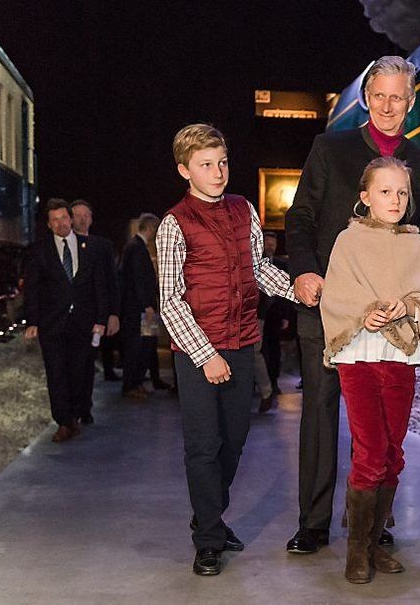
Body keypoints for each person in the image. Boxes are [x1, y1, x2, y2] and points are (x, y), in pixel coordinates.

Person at [283, 55, 420, 554]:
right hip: (332, 308)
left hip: (393, 324)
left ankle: (369, 522)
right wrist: (304, 270)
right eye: (380, 96)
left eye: (399, 96)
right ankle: (313, 521)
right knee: (321, 412)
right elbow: (301, 216)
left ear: (411, 102)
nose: (388, 105)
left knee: (381, 426)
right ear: (366, 100)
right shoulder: (330, 149)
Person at [157, 124, 299, 576]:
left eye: (222, 163)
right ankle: (208, 541)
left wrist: (302, 291)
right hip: (198, 351)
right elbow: (170, 300)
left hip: (242, 342)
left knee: (234, 442)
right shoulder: (173, 224)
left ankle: (209, 515)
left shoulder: (244, 210)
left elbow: (258, 268)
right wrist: (206, 355)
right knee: (203, 446)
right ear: (184, 170)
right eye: (206, 165)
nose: (218, 173)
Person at [321, 157, 420, 583]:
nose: (395, 200)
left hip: (400, 357)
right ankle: (356, 552)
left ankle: (374, 545)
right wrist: (365, 312)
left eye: (402, 193)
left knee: (393, 453)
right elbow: (334, 296)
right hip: (359, 355)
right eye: (386, 191)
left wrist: (409, 304)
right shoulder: (347, 242)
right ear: (365, 197)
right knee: (370, 451)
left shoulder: (415, 244)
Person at [23, 199, 108, 442]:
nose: (60, 223)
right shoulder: (41, 251)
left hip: (83, 324)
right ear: (49, 225)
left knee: (80, 372)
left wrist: (101, 319)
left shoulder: (89, 247)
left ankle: (77, 413)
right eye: (55, 220)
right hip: (53, 325)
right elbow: (33, 289)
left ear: (71, 219)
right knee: (56, 373)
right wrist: (33, 321)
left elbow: (99, 286)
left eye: (63, 218)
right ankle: (63, 421)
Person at [71, 199, 121, 421]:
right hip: (67, 317)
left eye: (86, 215)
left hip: (93, 317)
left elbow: (111, 281)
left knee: (86, 363)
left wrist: (112, 313)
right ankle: (70, 409)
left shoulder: (102, 246)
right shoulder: (59, 246)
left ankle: (84, 407)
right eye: (78, 215)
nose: (82, 219)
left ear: (91, 219)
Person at [119, 213, 163, 400]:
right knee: (139, 347)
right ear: (151, 227)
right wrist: (147, 305)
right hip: (140, 309)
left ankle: (136, 382)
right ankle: (132, 384)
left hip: (139, 308)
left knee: (145, 345)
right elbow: (139, 279)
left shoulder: (135, 247)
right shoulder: (137, 248)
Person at [255, 232, 290, 413]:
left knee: (270, 350)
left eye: (272, 242)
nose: (270, 245)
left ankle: (269, 387)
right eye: (267, 242)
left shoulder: (281, 265)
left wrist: (285, 316)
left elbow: (283, 293)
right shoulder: (255, 262)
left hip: (272, 314)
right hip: (255, 312)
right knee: (256, 352)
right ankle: (264, 389)